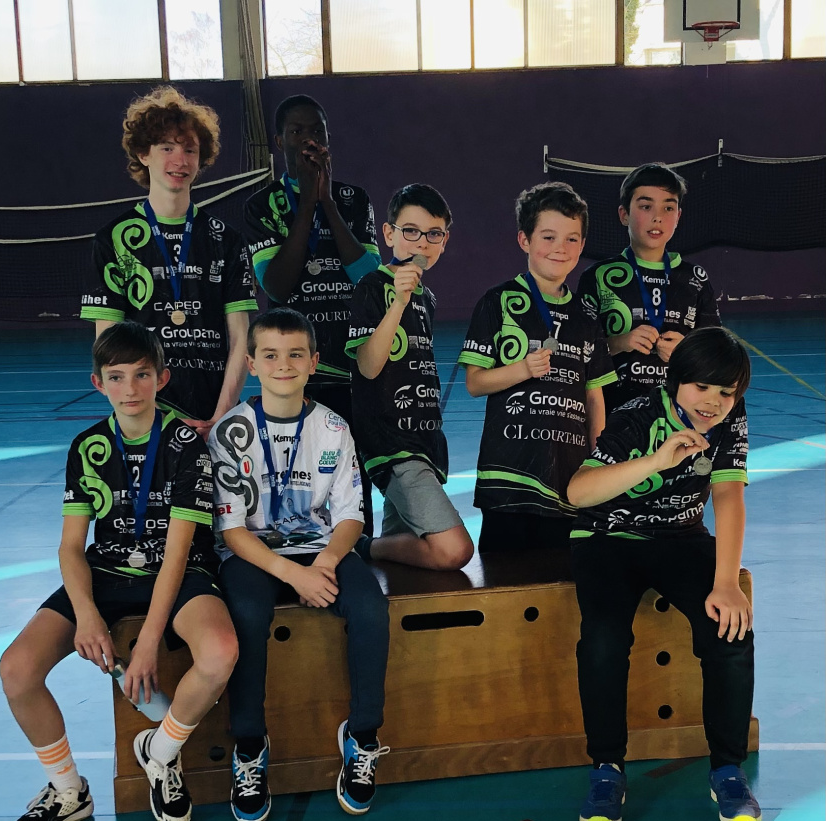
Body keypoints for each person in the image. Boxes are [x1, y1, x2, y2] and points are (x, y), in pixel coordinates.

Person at [0, 322, 238, 821]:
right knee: (16, 669)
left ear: (162, 378)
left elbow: (177, 552)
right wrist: (86, 614)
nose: (130, 389)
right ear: (98, 382)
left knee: (220, 653)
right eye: (116, 377)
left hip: (179, 572)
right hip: (106, 571)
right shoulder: (87, 446)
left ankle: (162, 751)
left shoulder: (185, 443)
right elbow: (70, 547)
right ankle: (68, 791)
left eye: (142, 375)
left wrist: (148, 640)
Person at [567, 327, 759, 821]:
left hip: (679, 537)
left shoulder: (731, 418)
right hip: (608, 537)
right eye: (702, 387)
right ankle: (607, 768)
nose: (713, 402)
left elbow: (729, 496)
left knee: (730, 630)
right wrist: (655, 461)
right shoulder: (636, 415)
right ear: (676, 382)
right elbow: (578, 492)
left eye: (726, 392)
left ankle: (728, 770)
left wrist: (726, 583)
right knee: (603, 639)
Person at [208, 309, 390, 821]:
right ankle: (250, 746)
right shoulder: (229, 432)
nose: (283, 365)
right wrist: (295, 576)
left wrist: (326, 562)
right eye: (270, 355)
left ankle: (363, 735)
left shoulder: (333, 427)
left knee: (371, 609)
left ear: (314, 362)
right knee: (246, 614)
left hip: (319, 548)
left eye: (295, 355)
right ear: (251, 364)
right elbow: (232, 530)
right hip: (253, 552)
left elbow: (351, 515)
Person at [82, 86, 256, 439]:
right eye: (167, 148)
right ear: (143, 154)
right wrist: (154, 419)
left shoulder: (226, 240)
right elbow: (109, 346)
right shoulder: (113, 240)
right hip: (147, 421)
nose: (181, 160)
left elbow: (241, 338)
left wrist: (220, 417)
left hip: (214, 419)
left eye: (190, 150)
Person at [243, 94, 381, 530]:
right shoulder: (261, 206)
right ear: (279, 142)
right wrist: (305, 204)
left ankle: (355, 547)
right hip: (294, 371)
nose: (308, 139)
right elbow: (277, 286)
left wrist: (327, 203)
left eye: (316, 130)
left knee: (351, 477)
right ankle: (294, 547)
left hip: (350, 367)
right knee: (294, 472)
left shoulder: (353, 199)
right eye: (296, 131)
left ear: (328, 139)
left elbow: (368, 278)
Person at [459, 182, 617, 553]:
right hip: (508, 481)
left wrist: (599, 459)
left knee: (562, 580)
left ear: (582, 245)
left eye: (572, 239)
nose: (560, 248)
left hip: (569, 480)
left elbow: (594, 396)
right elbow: (475, 383)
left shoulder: (586, 317)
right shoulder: (498, 302)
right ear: (524, 240)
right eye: (548, 237)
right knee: (504, 579)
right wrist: (523, 369)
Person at [346, 184, 473, 571]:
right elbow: (368, 366)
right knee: (454, 550)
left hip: (424, 441)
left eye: (433, 233)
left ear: (444, 241)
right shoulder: (371, 287)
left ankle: (380, 562)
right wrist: (398, 303)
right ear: (389, 234)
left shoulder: (427, 298)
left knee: (408, 561)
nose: (422, 242)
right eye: (411, 231)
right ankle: (364, 548)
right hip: (392, 444)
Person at [577, 163, 721, 413]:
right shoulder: (597, 277)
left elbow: (718, 355)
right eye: (646, 206)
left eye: (668, 208)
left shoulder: (695, 279)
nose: (658, 217)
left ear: (678, 216)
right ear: (624, 214)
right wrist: (619, 342)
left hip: (678, 417)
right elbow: (577, 353)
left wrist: (686, 352)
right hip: (614, 415)